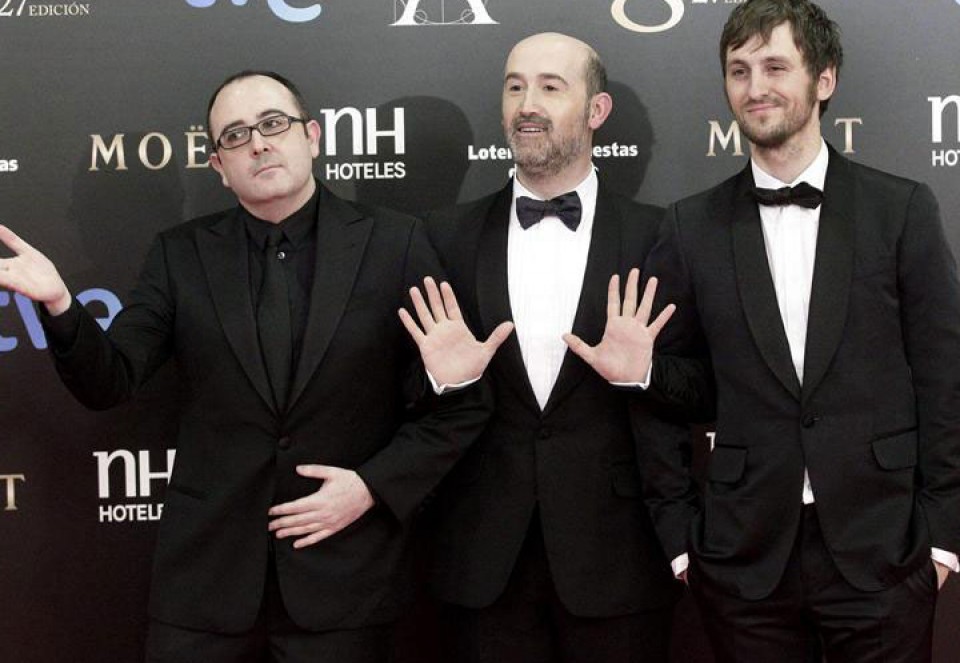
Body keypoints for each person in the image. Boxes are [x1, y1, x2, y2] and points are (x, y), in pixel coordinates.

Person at [0, 70, 510, 663]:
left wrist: (373, 484)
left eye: (273, 124)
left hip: (345, 585)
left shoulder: (397, 243)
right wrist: (61, 307)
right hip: (204, 587)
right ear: (217, 165)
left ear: (312, 137)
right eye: (236, 136)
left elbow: (460, 410)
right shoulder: (180, 253)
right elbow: (112, 381)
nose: (259, 143)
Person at [641, 1, 960, 660]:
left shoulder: (900, 210)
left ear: (824, 79)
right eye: (738, 70)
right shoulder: (688, 226)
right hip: (742, 558)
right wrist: (680, 540)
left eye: (775, 66)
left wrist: (941, 536)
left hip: (884, 552)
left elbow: (945, 375)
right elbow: (662, 391)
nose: (755, 87)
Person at [419, 32, 683, 662]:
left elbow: (704, 386)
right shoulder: (444, 234)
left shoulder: (661, 234)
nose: (526, 103)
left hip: (618, 558)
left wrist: (647, 374)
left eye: (549, 86)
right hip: (482, 559)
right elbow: (400, 394)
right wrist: (444, 383)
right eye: (514, 86)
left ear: (597, 112)